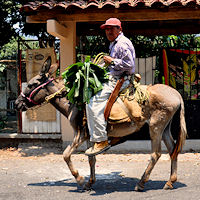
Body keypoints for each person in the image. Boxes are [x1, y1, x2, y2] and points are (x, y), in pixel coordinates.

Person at [85, 18, 136, 156]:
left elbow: (129, 65)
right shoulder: (114, 43)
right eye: (106, 29)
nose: (108, 31)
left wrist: (112, 61)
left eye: (112, 28)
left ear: (119, 29)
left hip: (120, 80)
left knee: (93, 102)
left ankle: (101, 140)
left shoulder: (121, 44)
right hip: (115, 76)